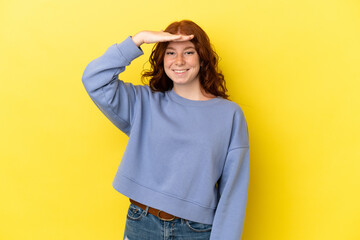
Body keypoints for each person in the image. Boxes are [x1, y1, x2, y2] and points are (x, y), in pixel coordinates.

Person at [82, 20, 250, 240]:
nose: (179, 61)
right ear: (162, 59)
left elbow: (234, 191)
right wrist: (137, 40)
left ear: (202, 57)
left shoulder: (229, 114)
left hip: (196, 231)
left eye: (188, 52)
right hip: (142, 223)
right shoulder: (143, 102)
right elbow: (94, 79)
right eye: (171, 52)